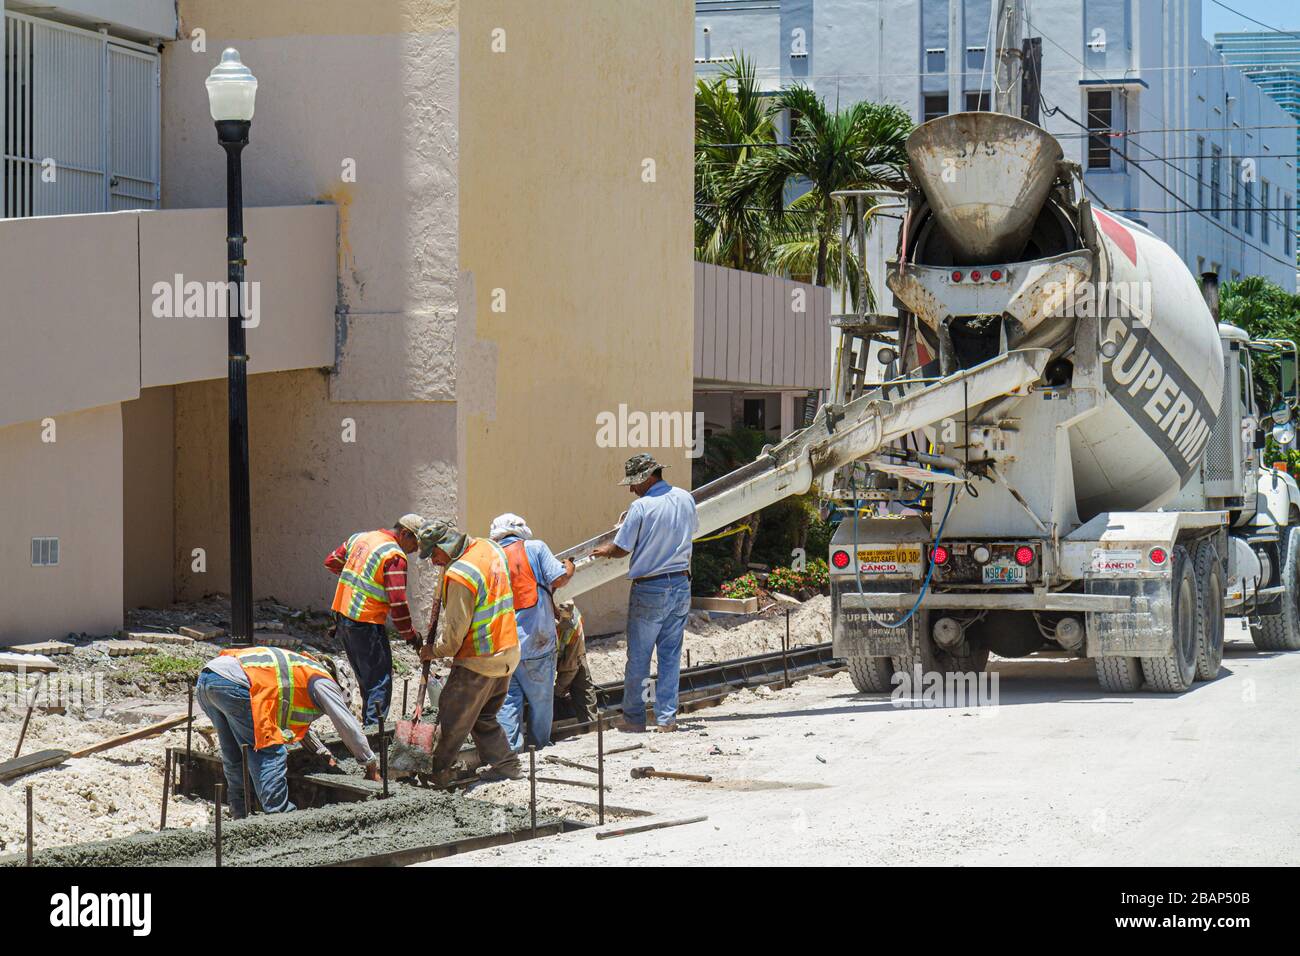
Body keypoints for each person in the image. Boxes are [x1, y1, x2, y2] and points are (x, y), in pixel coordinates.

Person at [195, 646, 380, 818]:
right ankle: (280, 817)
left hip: (208, 678)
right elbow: (346, 724)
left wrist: (322, 753)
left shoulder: (302, 672)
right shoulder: (323, 681)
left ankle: (240, 813)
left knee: (236, 753)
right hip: (234, 684)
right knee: (269, 750)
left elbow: (302, 728)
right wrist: (370, 763)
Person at [591, 453, 697, 732]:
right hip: (681, 584)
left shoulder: (641, 507)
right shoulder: (686, 498)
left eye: (634, 482)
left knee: (639, 656)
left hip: (650, 587)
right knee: (670, 655)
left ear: (648, 478)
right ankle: (666, 719)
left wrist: (606, 551)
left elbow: (622, 547)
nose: (631, 488)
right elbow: (690, 534)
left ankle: (634, 719)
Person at [416, 518, 523, 786]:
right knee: (483, 716)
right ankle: (506, 765)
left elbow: (454, 635)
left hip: (479, 658)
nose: (433, 561)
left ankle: (436, 775)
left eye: (434, 554)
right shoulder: (489, 548)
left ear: (446, 545)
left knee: (451, 720)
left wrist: (433, 651)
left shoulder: (461, 574)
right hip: (508, 649)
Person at [324, 514, 424, 727]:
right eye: (416, 542)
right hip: (365, 622)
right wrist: (410, 635)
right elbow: (398, 604)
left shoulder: (360, 538)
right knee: (380, 682)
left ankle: (366, 732)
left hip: (343, 617)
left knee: (366, 680)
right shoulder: (394, 556)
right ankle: (373, 737)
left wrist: (359, 577)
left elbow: (332, 562)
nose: (416, 549)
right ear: (405, 533)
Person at [489, 513, 575, 752]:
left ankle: (510, 753)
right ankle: (539, 747)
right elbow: (559, 577)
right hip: (536, 640)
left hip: (503, 644)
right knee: (541, 700)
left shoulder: (491, 557)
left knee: (508, 702)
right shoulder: (535, 548)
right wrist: (570, 566)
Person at [554, 600, 598, 725]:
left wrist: (558, 691)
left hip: (567, 652)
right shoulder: (538, 619)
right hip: (538, 655)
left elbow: (571, 667)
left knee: (582, 682)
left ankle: (591, 728)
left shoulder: (574, 625)